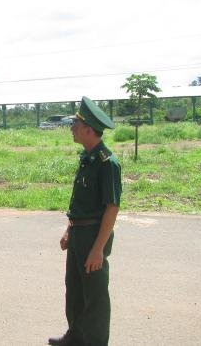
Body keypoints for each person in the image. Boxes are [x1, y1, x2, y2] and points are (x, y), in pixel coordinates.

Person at [49, 97, 122, 346]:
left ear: (89, 130)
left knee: (95, 296)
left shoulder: (107, 163)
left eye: (76, 125)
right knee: (75, 290)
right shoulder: (87, 157)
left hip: (93, 236)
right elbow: (79, 202)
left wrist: (98, 249)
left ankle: (95, 341)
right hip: (79, 234)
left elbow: (111, 208)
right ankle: (75, 335)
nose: (72, 128)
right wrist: (69, 230)